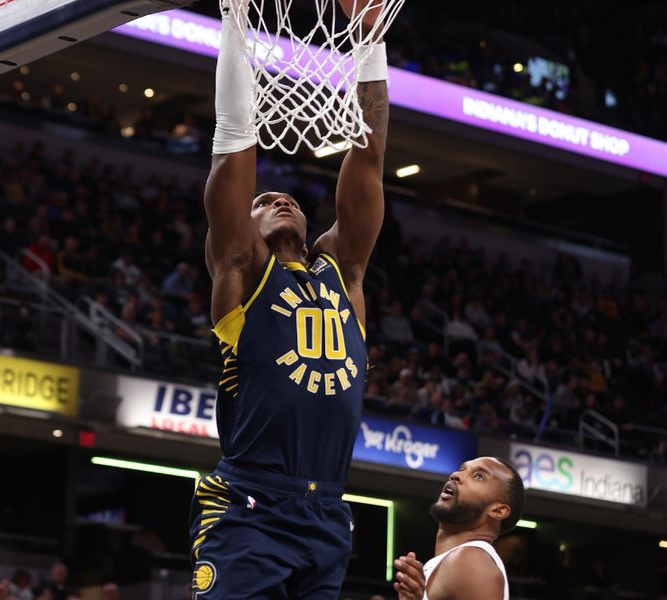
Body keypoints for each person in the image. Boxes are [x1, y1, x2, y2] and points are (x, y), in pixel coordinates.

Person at [189, 0, 391, 596]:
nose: (280, 200)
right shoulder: (241, 271)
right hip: (250, 504)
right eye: (263, 200)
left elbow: (371, 153)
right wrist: (234, 26)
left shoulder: (344, 273)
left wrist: (369, 42)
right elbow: (233, 148)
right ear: (243, 228)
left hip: (328, 509)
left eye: (292, 200)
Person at [393, 457, 525, 600]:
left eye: (479, 476)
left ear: (498, 510)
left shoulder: (472, 560)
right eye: (462, 469)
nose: (456, 475)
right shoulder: (455, 560)